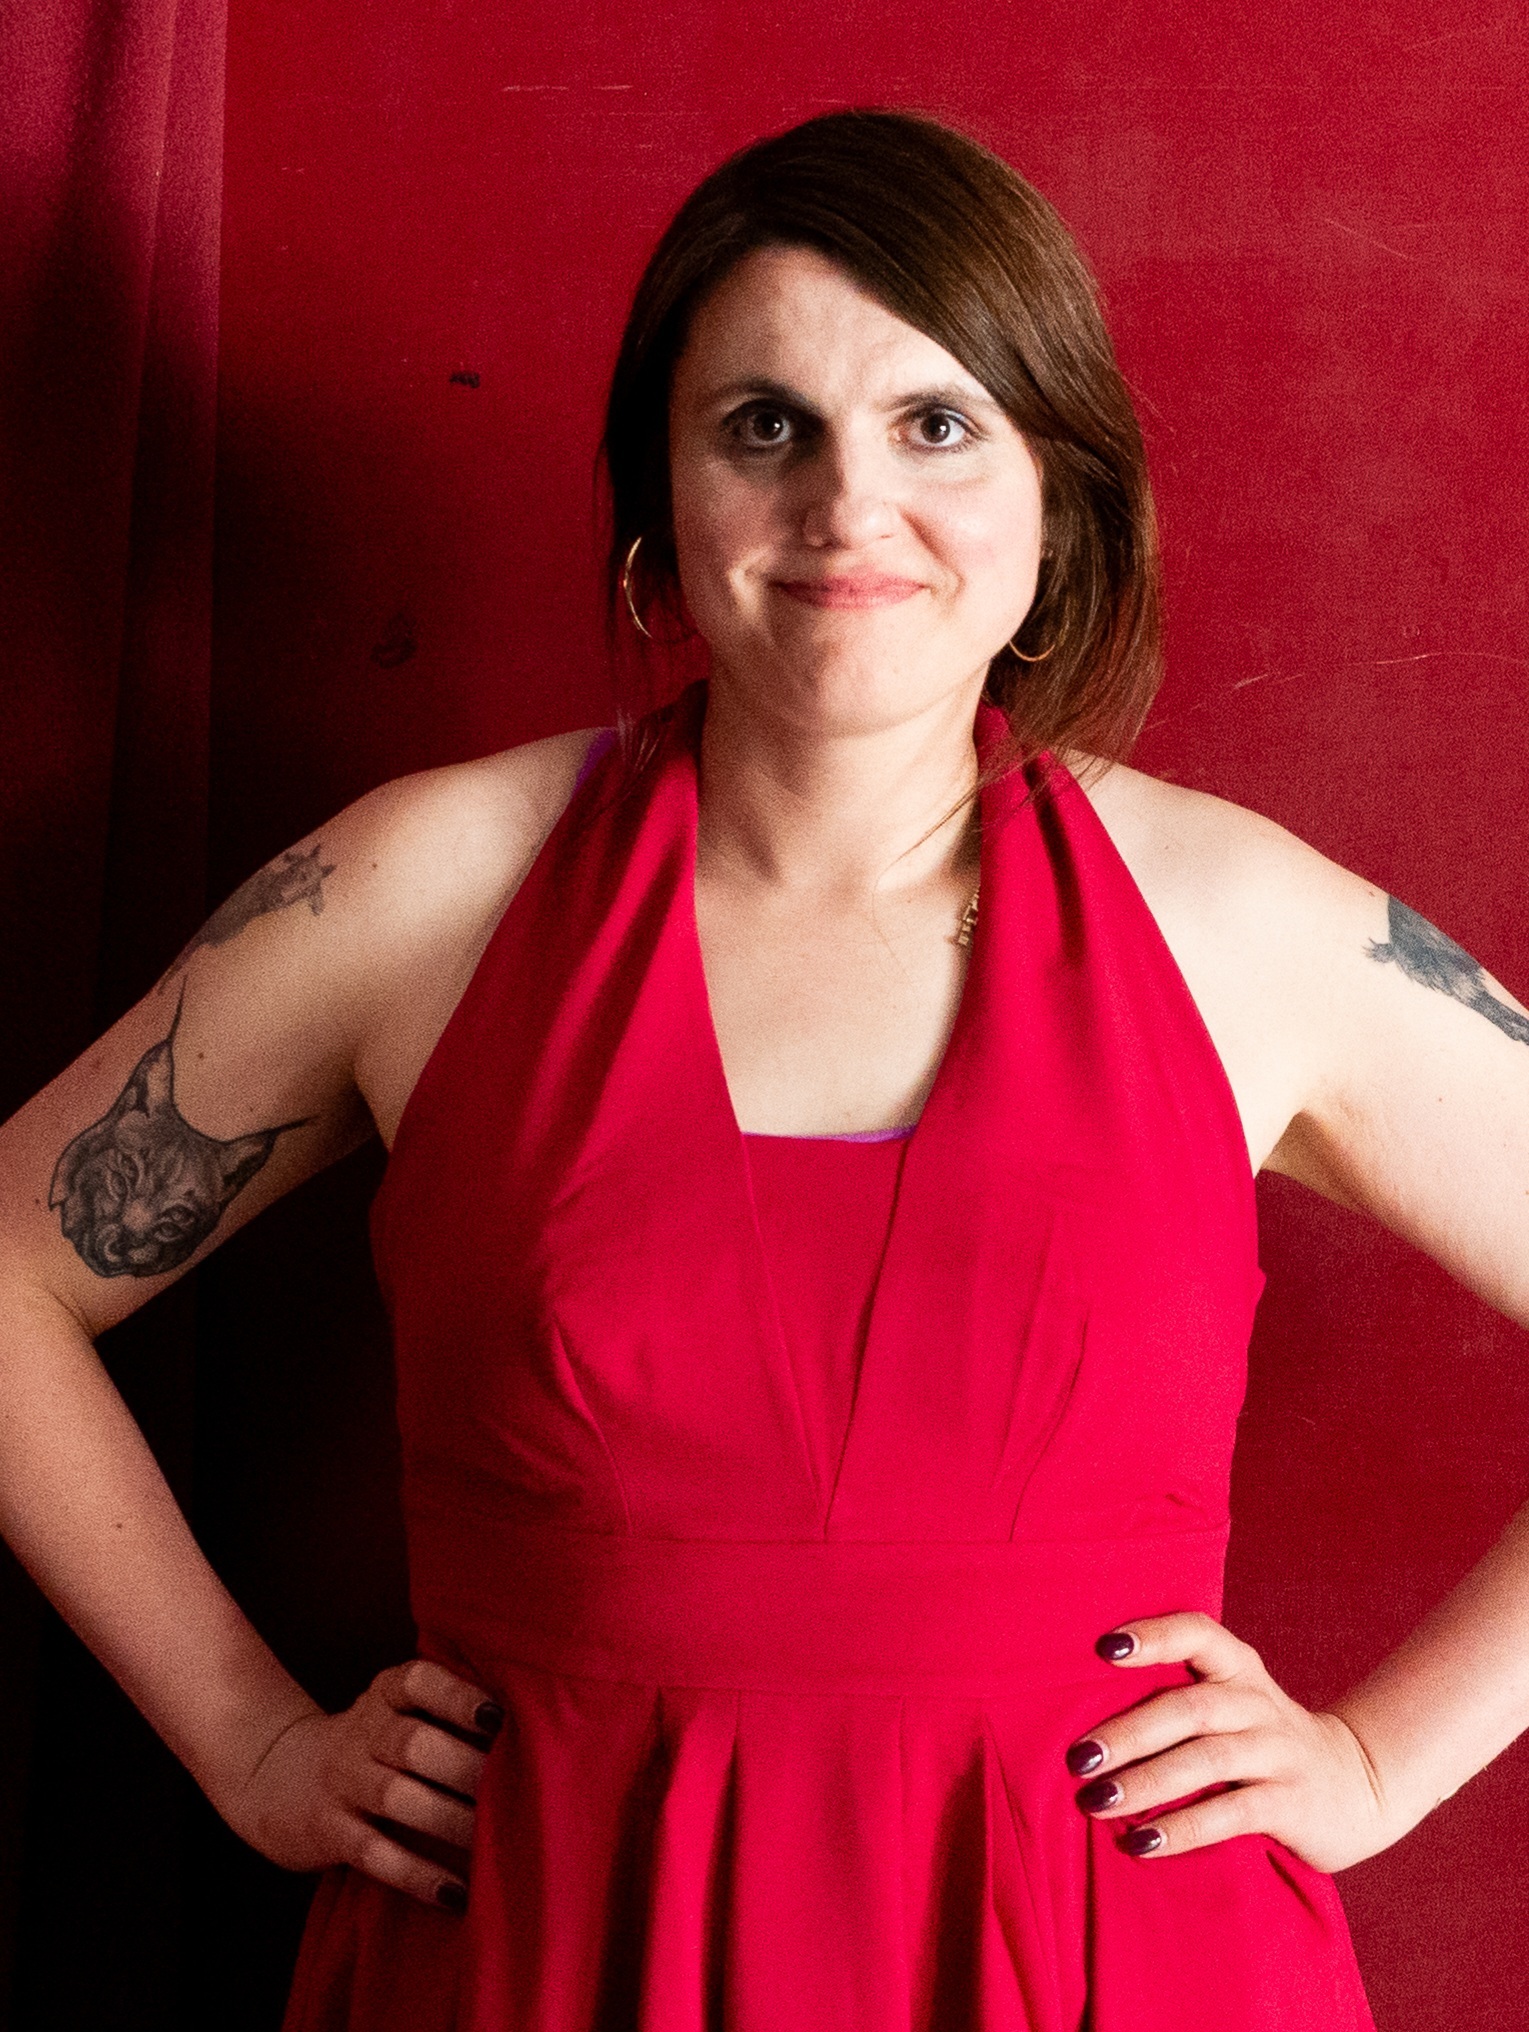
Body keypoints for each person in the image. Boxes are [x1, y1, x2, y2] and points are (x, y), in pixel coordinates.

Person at [1, 105, 1526, 2031]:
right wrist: (245, 1741)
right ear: (661, 486)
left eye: (936, 425)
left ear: (1058, 492)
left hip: (1106, 1958)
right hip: (537, 1950)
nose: (844, 508)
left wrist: (1381, 1762)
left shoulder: (1240, 924)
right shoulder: (421, 893)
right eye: (763, 425)